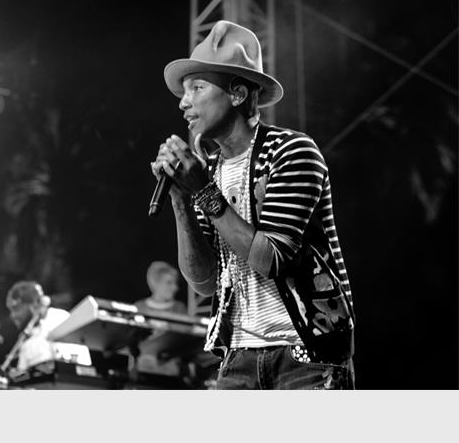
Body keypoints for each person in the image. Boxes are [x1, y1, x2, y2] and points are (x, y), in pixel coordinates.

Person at [152, 20, 355, 390]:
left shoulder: (292, 152)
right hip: (238, 358)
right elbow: (204, 283)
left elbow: (271, 259)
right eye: (184, 91)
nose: (184, 102)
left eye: (197, 87)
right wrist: (181, 197)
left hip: (305, 357)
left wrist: (203, 192)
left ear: (238, 93)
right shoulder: (208, 171)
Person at [1, 280, 88, 372]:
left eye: (16, 309)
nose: (13, 316)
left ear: (35, 303)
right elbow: (24, 375)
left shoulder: (60, 318)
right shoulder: (24, 340)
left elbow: (79, 363)